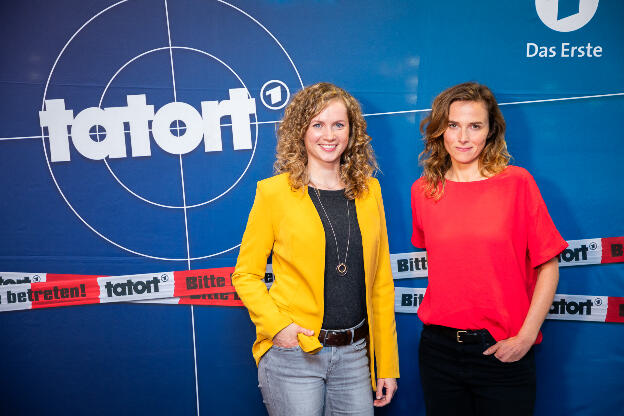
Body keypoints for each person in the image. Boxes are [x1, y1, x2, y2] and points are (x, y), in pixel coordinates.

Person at [232, 82, 399, 415]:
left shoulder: (371, 192)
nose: (329, 135)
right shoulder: (273, 194)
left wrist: (387, 364)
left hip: (355, 355)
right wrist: (279, 328)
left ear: (352, 132)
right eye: (317, 124)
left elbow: (380, 282)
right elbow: (245, 275)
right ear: (301, 131)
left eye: (339, 124)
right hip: (295, 354)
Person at [411, 82, 568, 415]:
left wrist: (526, 338)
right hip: (438, 352)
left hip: (502, 350)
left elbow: (549, 265)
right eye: (453, 125)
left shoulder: (517, 183)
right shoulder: (424, 191)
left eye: (475, 126)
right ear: (440, 129)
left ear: (490, 132)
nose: (463, 137)